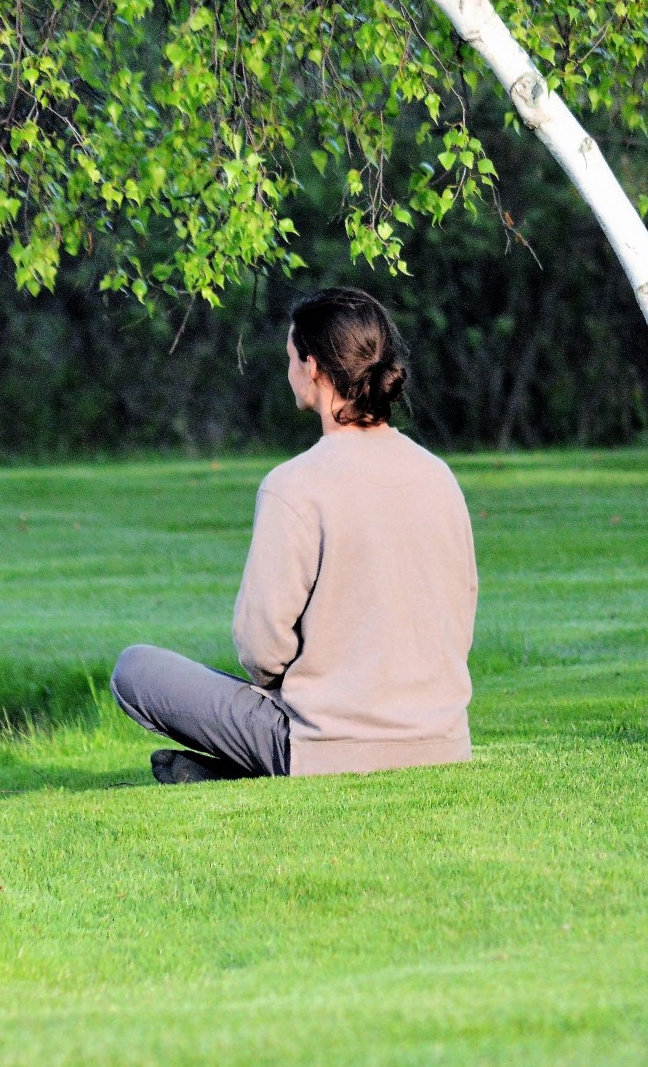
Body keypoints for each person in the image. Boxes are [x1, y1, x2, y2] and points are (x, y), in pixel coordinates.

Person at [110, 288, 478, 784]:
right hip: (441, 741)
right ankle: (225, 773)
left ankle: (244, 769)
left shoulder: (294, 485)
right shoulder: (440, 477)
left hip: (325, 745)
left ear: (314, 367)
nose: (288, 372)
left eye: (290, 358)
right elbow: (459, 622)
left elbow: (261, 652)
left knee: (135, 670)